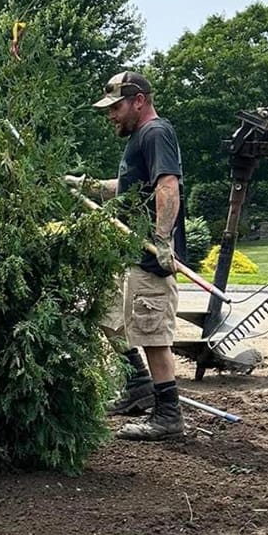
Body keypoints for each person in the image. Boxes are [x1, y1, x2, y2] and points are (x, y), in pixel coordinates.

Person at [66, 70, 187, 441]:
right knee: (108, 316)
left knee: (153, 336)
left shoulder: (155, 132)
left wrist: (163, 239)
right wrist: (86, 185)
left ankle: (168, 416)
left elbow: (168, 183)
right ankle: (137, 385)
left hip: (152, 259)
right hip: (130, 256)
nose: (111, 115)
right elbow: (130, 186)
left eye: (116, 107)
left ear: (139, 100)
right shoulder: (139, 139)